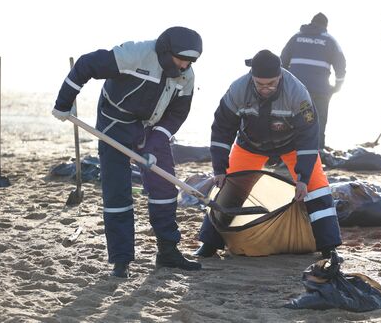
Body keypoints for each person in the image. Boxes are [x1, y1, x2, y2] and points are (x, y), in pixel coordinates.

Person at [52, 26, 203, 277]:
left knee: (165, 188)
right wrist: (63, 103)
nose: (185, 65)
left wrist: (156, 143)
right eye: (181, 59)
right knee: (117, 190)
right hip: (114, 123)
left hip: (151, 128)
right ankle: (121, 260)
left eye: (190, 61)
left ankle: (168, 251)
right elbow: (86, 65)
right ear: (166, 51)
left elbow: (178, 112)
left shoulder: (186, 76)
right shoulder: (134, 54)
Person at [194, 49, 342, 260]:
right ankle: (209, 244)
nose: (265, 88)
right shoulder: (237, 89)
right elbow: (222, 129)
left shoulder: (298, 93)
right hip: (249, 145)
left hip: (291, 145)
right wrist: (219, 168)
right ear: (251, 77)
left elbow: (309, 139)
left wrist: (303, 179)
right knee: (229, 190)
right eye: (260, 84)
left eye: (271, 83)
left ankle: (329, 247)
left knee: (316, 189)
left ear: (280, 75)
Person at [281, 12, 346, 156]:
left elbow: (282, 61)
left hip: (296, 89)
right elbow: (341, 65)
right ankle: (317, 152)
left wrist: (284, 85)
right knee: (318, 120)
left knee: (294, 119)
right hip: (320, 90)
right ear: (325, 26)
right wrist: (337, 86)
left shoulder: (296, 37)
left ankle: (289, 152)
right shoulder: (329, 40)